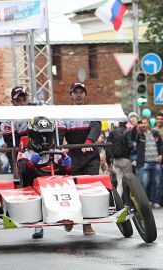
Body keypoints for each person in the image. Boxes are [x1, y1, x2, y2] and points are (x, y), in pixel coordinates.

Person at [58, 82, 101, 236]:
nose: (78, 95)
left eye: (81, 92)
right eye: (75, 92)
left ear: (85, 95)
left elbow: (96, 126)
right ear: (70, 95)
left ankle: (87, 224)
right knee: (72, 189)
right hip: (73, 155)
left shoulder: (91, 111)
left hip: (91, 155)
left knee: (89, 189)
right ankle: (69, 218)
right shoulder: (64, 113)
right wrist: (59, 148)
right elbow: (60, 133)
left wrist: (89, 142)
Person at [18, 116, 72, 239]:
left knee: (70, 180)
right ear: (32, 136)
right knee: (30, 180)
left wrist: (67, 166)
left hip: (56, 186)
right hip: (33, 186)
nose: (44, 140)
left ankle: (69, 215)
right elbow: (22, 169)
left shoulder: (57, 151)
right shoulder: (25, 152)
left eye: (47, 135)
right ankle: (38, 224)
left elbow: (67, 171)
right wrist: (30, 164)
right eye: (40, 136)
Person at [135, 117, 163, 208]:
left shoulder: (155, 133)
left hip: (156, 162)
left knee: (157, 182)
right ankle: (145, 202)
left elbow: (161, 145)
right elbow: (132, 136)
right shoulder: (139, 135)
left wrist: (161, 154)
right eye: (142, 123)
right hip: (145, 162)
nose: (143, 125)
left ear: (148, 123)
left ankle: (156, 201)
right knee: (145, 183)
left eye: (145, 123)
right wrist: (136, 128)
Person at [0, 86, 29, 173]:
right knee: (20, 177)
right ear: (12, 102)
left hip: (35, 151)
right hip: (16, 152)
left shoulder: (35, 111)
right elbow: (10, 140)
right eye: (18, 100)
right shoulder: (6, 117)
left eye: (24, 100)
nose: (22, 103)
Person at [106, 121, 133, 197]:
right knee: (128, 182)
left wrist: (109, 162)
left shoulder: (112, 133)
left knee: (120, 183)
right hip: (125, 160)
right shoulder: (127, 132)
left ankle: (119, 203)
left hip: (115, 160)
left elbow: (107, 148)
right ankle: (128, 202)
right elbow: (131, 145)